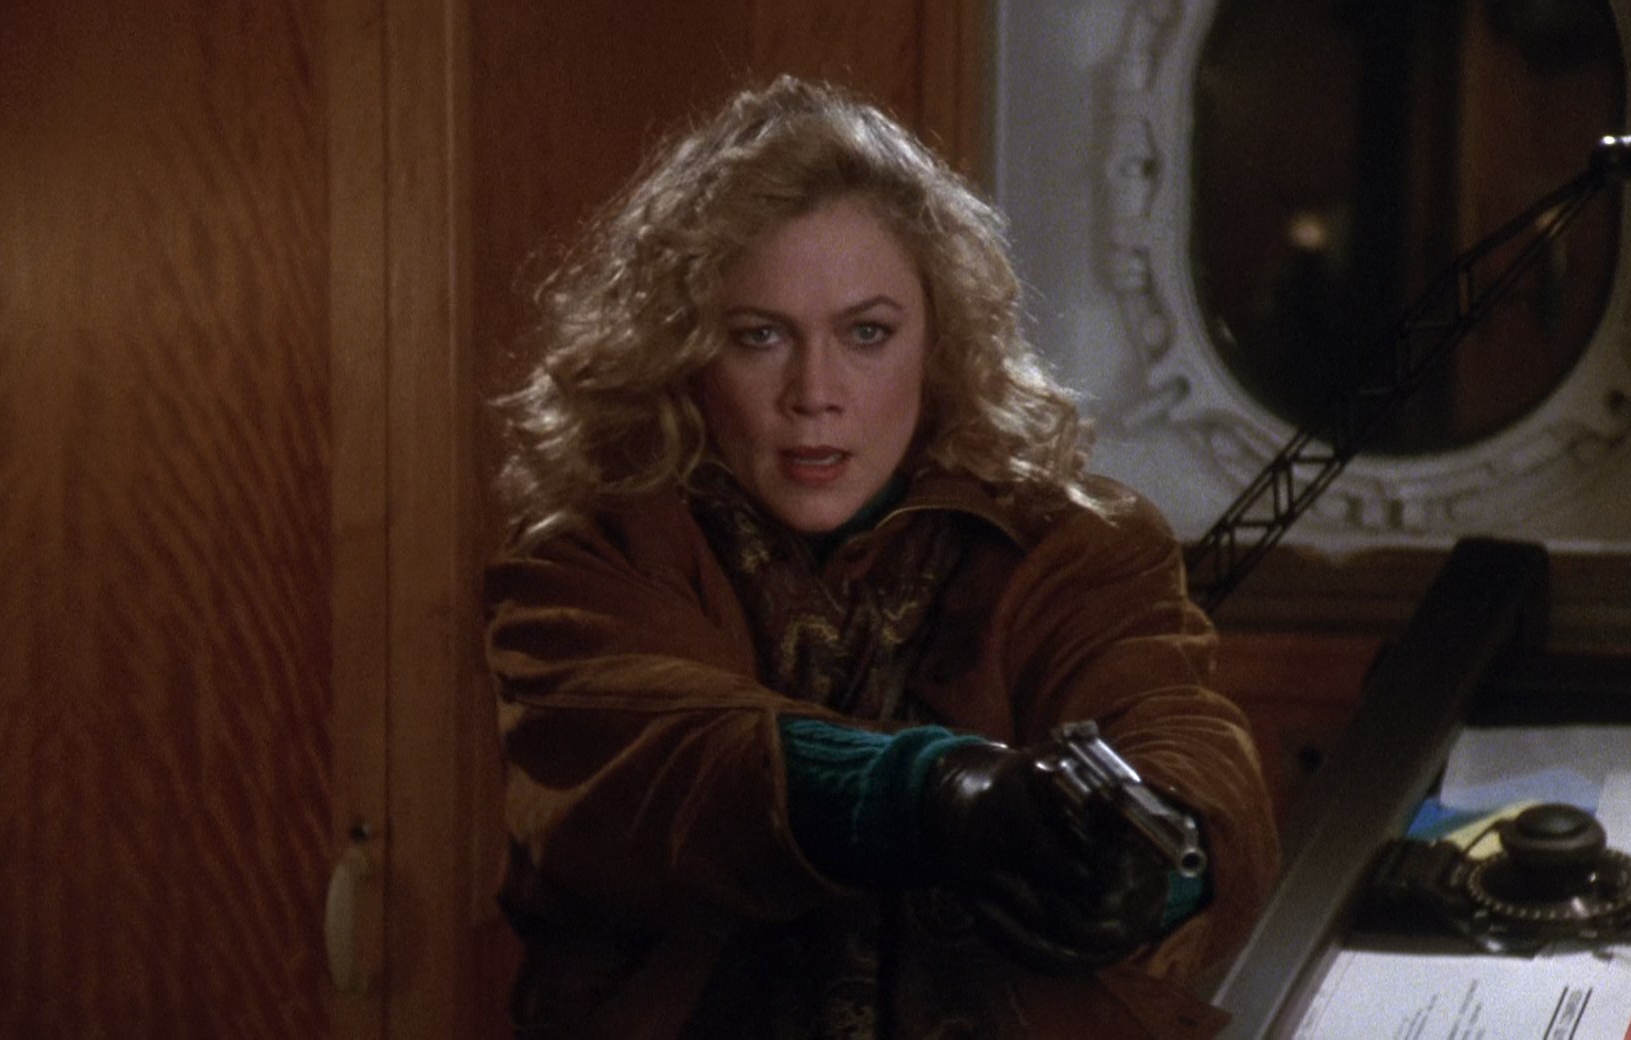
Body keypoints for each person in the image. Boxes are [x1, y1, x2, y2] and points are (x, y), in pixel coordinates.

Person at [484, 75, 1280, 1039]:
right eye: (760, 336)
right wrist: (938, 792)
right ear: (684, 352)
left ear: (937, 341)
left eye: (867, 333)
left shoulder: (1071, 544)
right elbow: (671, 763)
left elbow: (1181, 730)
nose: (815, 392)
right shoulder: (594, 556)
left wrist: (1154, 860)